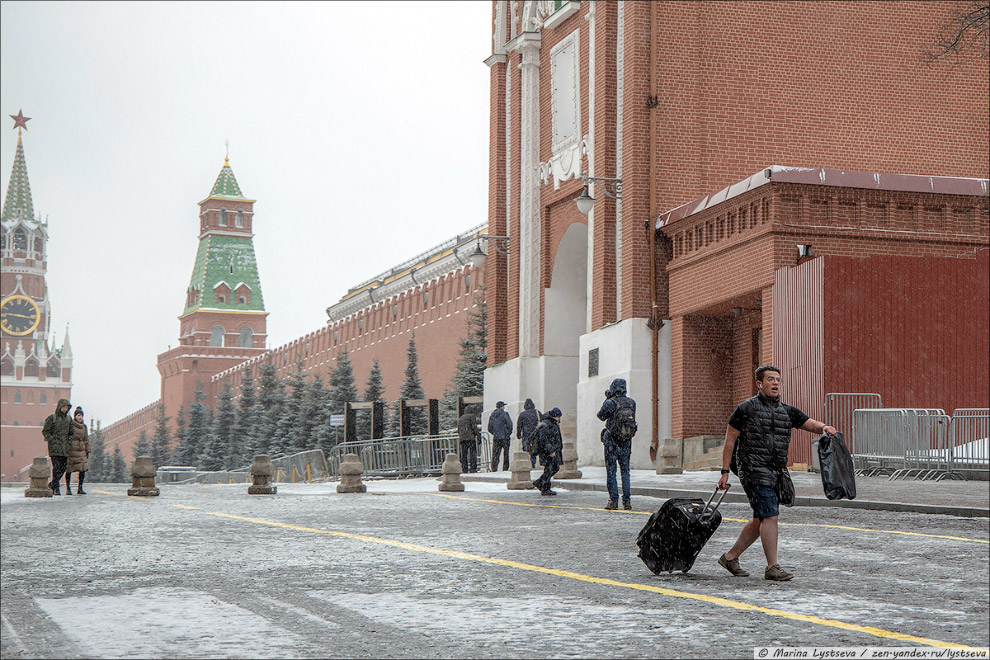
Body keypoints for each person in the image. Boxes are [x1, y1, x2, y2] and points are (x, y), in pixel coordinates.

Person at [717, 365, 837, 581]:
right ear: (759, 384)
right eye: (770, 379)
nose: (775, 383)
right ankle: (772, 566)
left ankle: (730, 557)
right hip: (752, 469)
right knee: (770, 514)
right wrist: (725, 472)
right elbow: (729, 441)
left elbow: (807, 422)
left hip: (776, 470)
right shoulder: (745, 409)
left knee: (760, 519)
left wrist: (824, 427)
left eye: (778, 380)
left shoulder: (786, 410)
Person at [597, 378, 636, 510]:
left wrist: (608, 398)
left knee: (612, 471)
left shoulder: (610, 403)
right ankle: (627, 501)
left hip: (612, 440)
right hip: (626, 440)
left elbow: (601, 416)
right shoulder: (632, 402)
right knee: (625, 471)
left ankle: (613, 500)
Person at [42, 398, 73, 495]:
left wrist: (69, 442)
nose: (65, 409)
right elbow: (45, 431)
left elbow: (71, 433)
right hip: (55, 448)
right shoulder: (52, 418)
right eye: (63, 407)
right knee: (57, 467)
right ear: (59, 407)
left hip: (64, 448)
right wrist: (52, 440)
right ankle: (56, 488)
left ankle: (53, 484)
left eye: (66, 407)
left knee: (63, 468)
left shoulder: (68, 419)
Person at [532, 408, 563, 495]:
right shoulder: (546, 424)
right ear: (555, 416)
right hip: (548, 452)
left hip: (553, 450)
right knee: (550, 469)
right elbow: (544, 439)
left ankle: (540, 483)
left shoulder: (552, 423)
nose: (559, 419)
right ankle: (545, 488)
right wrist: (550, 450)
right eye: (559, 417)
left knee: (553, 468)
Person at [66, 406, 91, 495]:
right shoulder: (71, 426)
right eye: (78, 415)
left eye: (81, 416)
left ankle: (80, 488)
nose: (80, 417)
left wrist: (88, 450)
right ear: (75, 416)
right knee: (69, 470)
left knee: (82, 470)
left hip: (81, 451)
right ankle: (68, 488)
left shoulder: (84, 427)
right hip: (72, 451)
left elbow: (86, 439)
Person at [487, 401, 513, 472]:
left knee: (495, 454)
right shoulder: (505, 414)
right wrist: (508, 433)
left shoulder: (492, 415)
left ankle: (494, 468)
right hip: (505, 437)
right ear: (501, 406)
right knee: (506, 453)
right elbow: (509, 424)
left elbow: (489, 428)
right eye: (503, 406)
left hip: (496, 438)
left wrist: (495, 433)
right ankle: (505, 468)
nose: (504, 407)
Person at [516, 398, 541, 468]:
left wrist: (518, 434)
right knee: (534, 449)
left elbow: (519, 426)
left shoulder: (522, 414)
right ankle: (532, 464)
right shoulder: (537, 413)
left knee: (526, 449)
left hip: (526, 435)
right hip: (536, 434)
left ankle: (526, 463)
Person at [457, 408, 480, 473]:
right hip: (470, 437)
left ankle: (464, 468)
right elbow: (474, 427)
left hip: (463, 438)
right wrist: (478, 436)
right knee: (473, 453)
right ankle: (473, 468)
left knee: (464, 454)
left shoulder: (461, 418)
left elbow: (458, 429)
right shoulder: (471, 416)